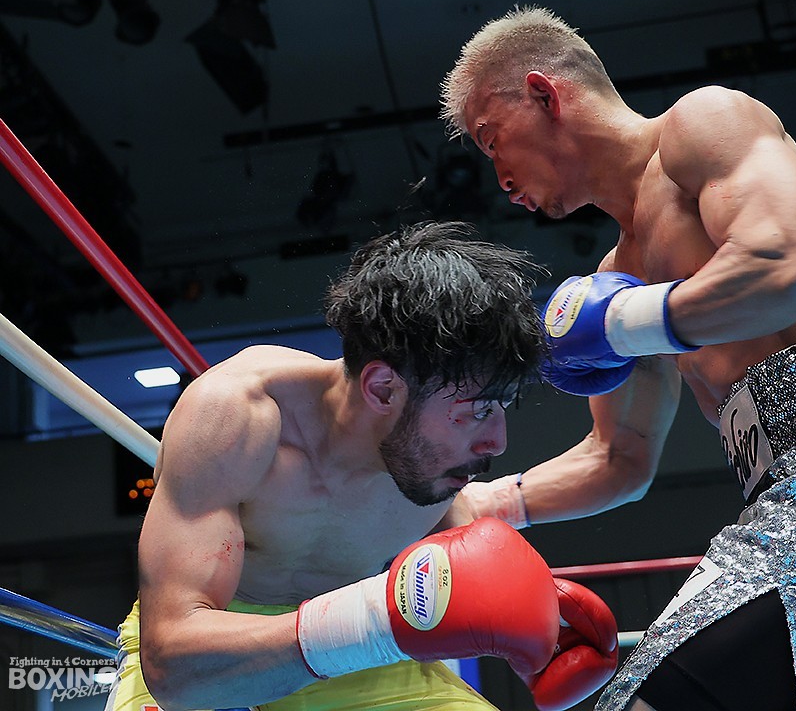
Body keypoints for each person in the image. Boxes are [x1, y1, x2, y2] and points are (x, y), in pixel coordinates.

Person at [441, 7, 796, 711]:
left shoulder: (703, 125)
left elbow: (794, 264)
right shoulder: (619, 277)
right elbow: (618, 457)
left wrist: (623, 325)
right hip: (794, 495)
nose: (497, 175)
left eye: (490, 137)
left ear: (543, 93)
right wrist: (475, 505)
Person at [102, 220, 622, 711]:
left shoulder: (429, 469)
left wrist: (538, 639)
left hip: (354, 657)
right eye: (478, 410)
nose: (497, 442)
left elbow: (473, 580)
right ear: (383, 388)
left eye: (502, 408)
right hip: (218, 644)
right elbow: (173, 664)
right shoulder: (237, 417)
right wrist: (374, 621)